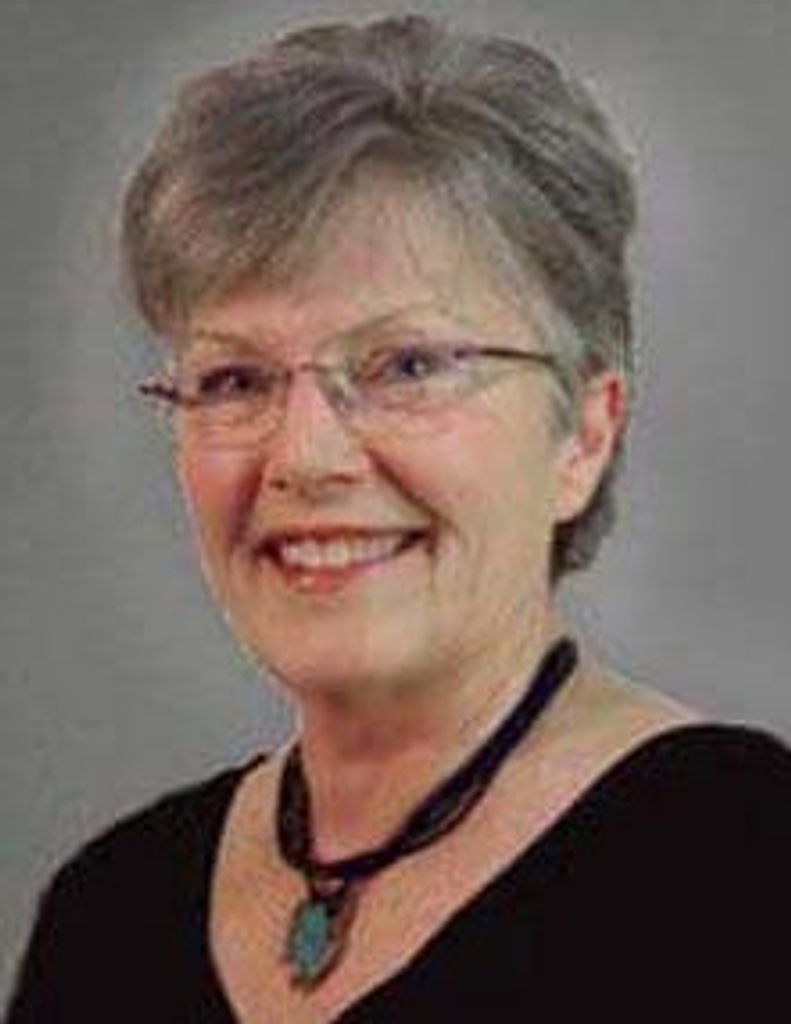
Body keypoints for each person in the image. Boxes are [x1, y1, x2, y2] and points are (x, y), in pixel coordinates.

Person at [6, 13, 790, 1022]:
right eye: (235, 378)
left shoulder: (744, 866)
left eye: (407, 365)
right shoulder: (109, 911)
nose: (303, 457)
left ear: (582, 435)